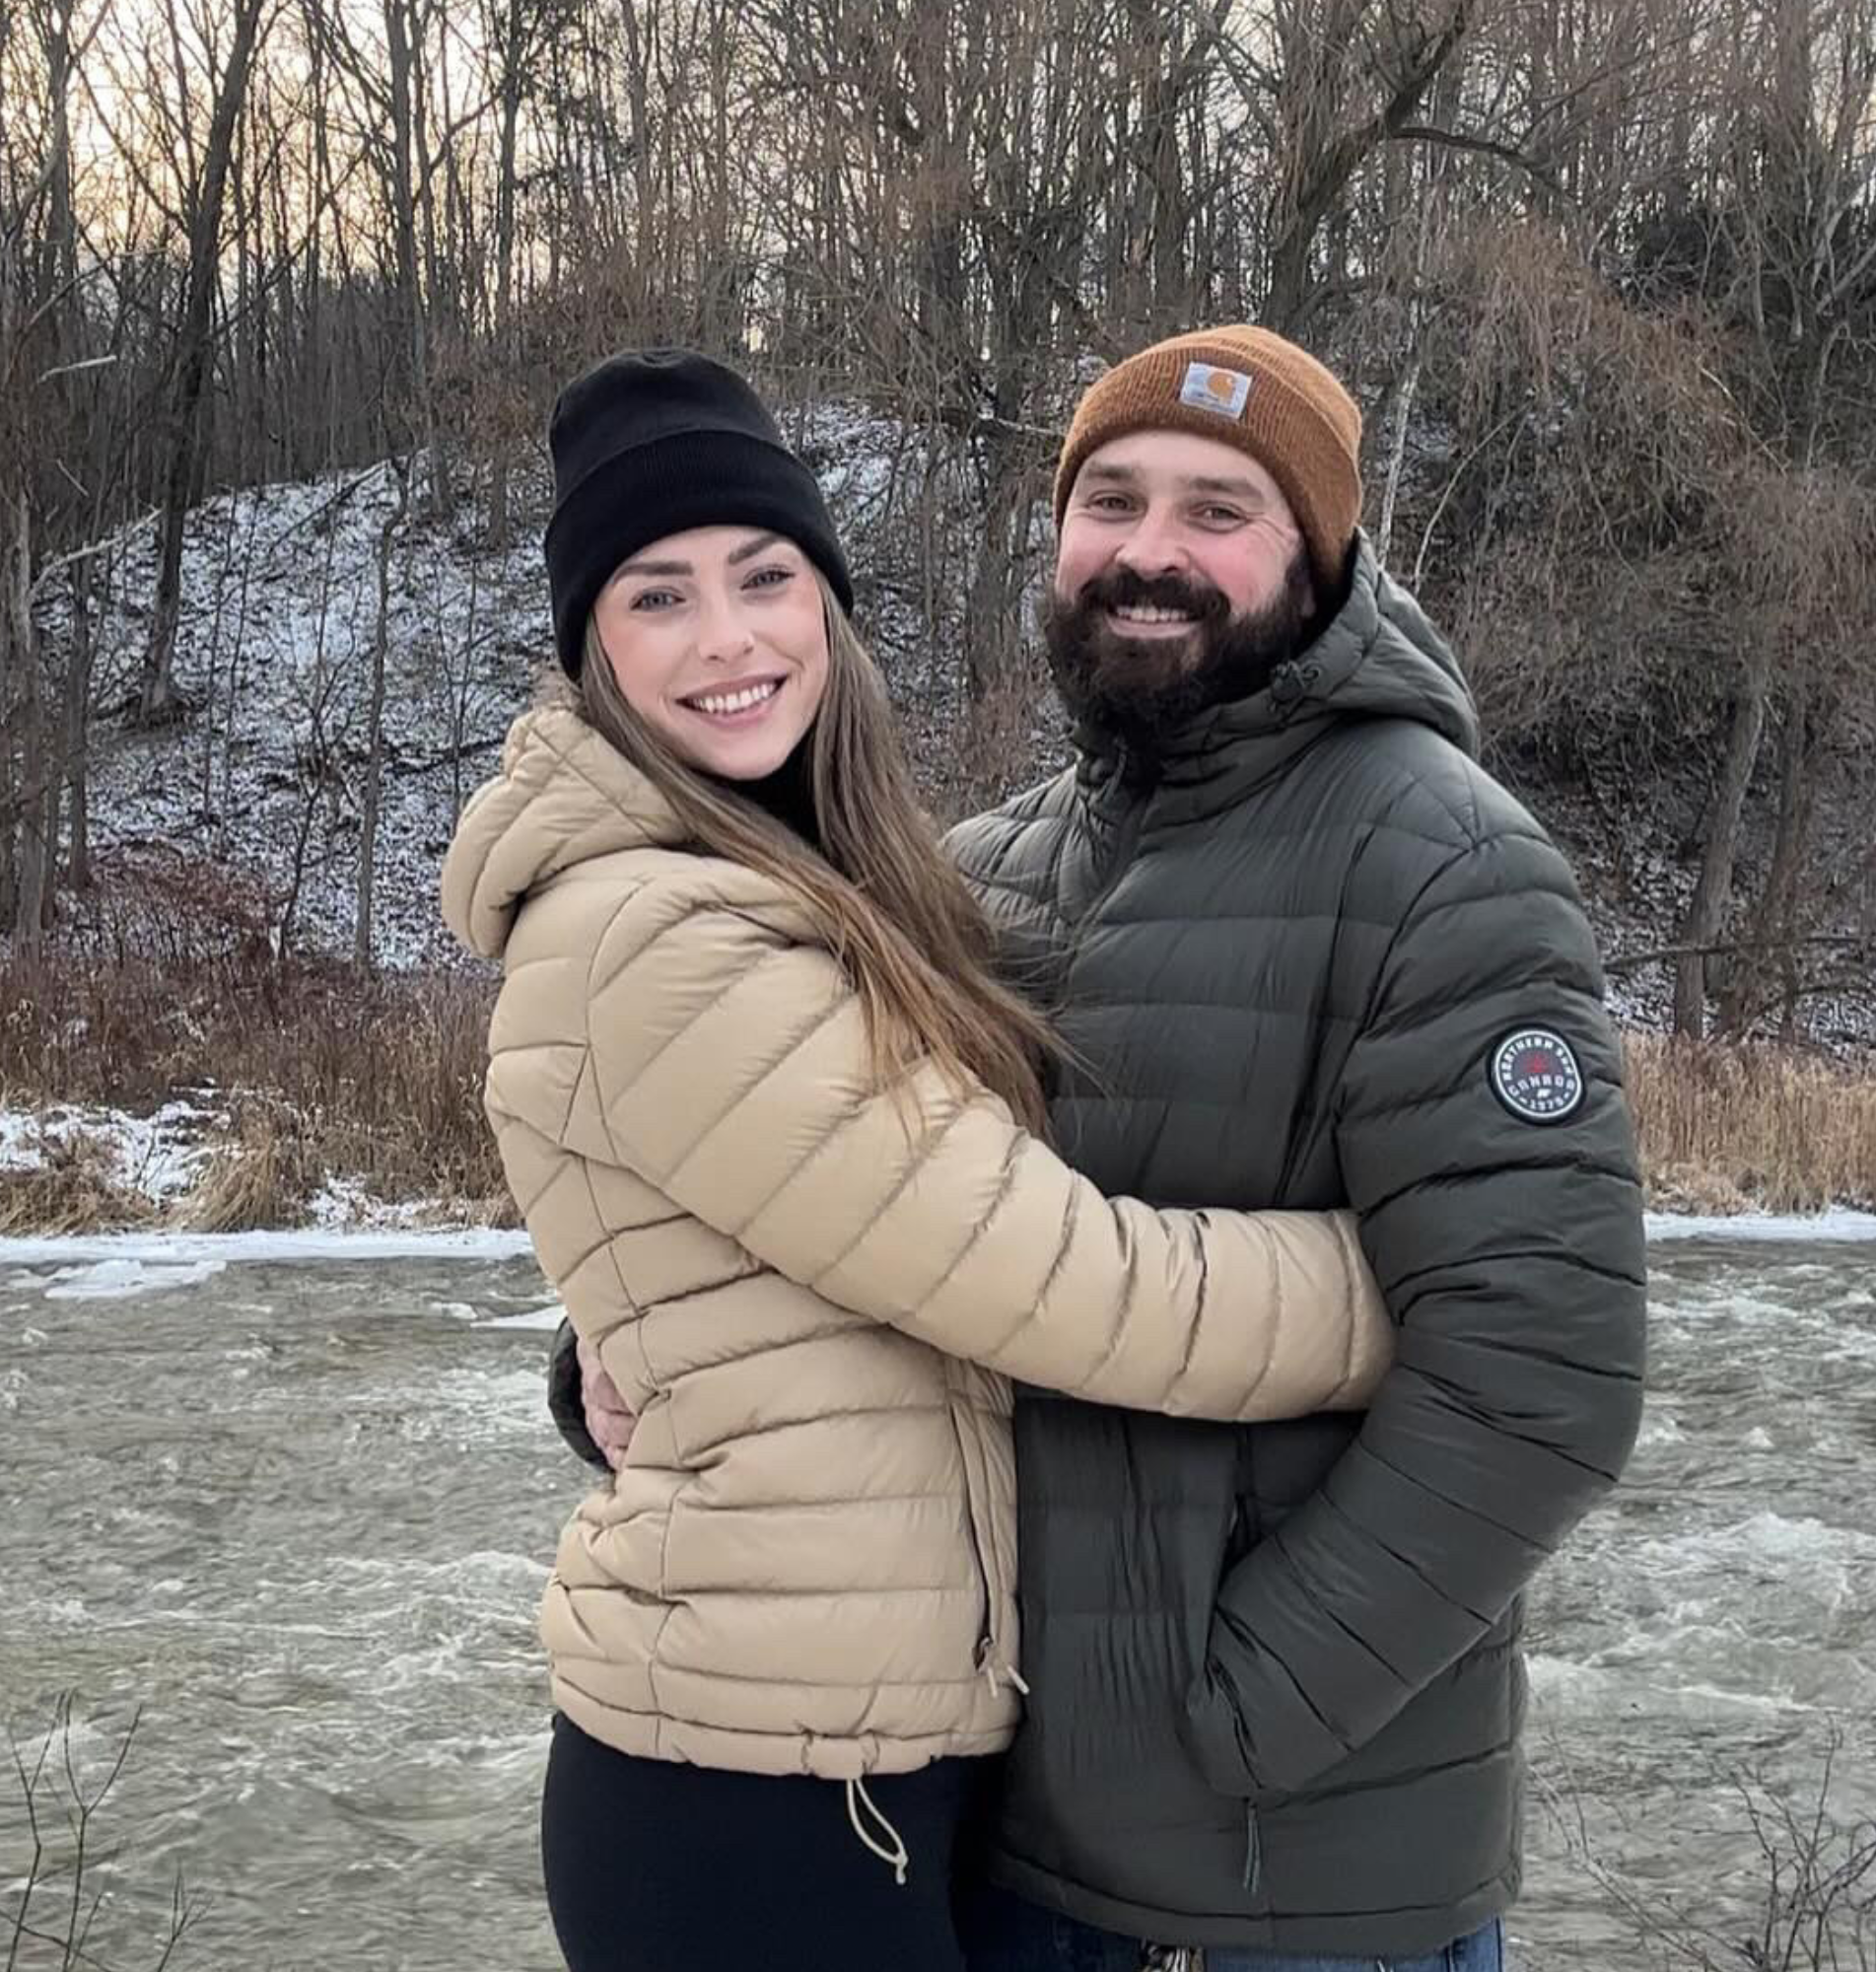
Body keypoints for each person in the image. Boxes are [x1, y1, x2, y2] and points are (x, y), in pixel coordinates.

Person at [439, 348, 1398, 1972]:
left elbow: (761, 1263)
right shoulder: (659, 934)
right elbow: (1069, 1287)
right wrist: (1416, 1288)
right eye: (656, 598)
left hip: (863, 1751)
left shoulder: (829, 883)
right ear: (590, 651)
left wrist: (605, 1358)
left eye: (764, 577)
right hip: (755, 1793)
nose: (729, 639)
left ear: (829, 604)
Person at [939, 326, 1650, 1970]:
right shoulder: (976, 875)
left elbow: (1541, 1383)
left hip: (1285, 1897)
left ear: (1318, 561)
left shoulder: (1447, 866)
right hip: (992, 1840)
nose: (1150, 552)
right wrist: (629, 1367)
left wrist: (1226, 1724)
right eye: (1110, 498)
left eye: (1219, 509)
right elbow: (849, 1225)